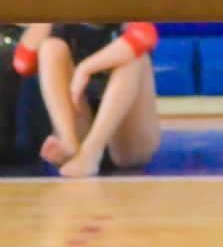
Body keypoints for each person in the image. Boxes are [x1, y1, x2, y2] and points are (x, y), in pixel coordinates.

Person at [12, 22, 162, 178]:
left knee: (135, 57)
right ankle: (68, 141)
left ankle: (93, 151)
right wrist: (48, 13)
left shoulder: (124, 12)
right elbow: (24, 64)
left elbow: (144, 36)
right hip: (81, 133)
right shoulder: (64, 20)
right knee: (50, 47)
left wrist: (86, 68)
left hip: (128, 143)